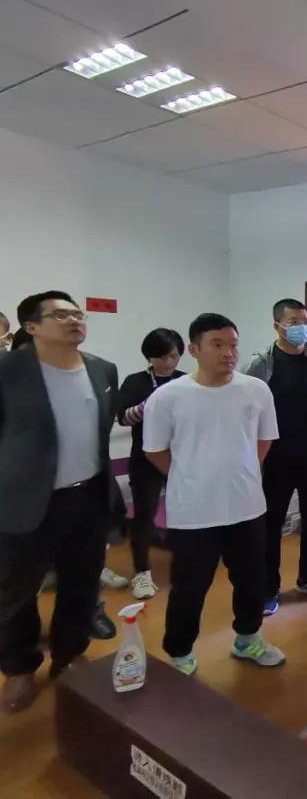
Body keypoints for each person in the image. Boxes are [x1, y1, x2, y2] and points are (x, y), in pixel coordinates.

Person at [143, 313, 285, 675]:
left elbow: (264, 440)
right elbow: (155, 450)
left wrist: (239, 472)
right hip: (193, 512)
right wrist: (191, 476)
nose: (228, 353)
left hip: (247, 507)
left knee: (251, 581)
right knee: (189, 588)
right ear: (194, 350)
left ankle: (248, 638)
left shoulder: (256, 390)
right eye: (217, 345)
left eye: (233, 344)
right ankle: (179, 653)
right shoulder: (168, 397)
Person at [0, 291, 121, 713]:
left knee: (82, 584)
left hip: (87, 498)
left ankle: (68, 655)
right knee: (16, 589)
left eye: (77, 313)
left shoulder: (102, 369)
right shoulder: (7, 371)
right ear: (31, 326)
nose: (74, 319)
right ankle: (19, 666)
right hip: (26, 501)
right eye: (61, 314)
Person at [243, 298, 307, 614]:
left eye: (306, 321)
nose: (302, 327)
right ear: (277, 326)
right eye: (294, 322)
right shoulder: (261, 364)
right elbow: (248, 411)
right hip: (275, 459)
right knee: (271, 525)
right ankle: (268, 587)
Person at [117, 328, 186, 599]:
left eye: (173, 356)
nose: (168, 363)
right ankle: (141, 572)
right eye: (161, 357)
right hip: (146, 458)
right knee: (145, 514)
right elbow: (123, 418)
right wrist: (149, 405)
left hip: (181, 457)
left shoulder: (186, 381)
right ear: (149, 356)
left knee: (184, 510)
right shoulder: (136, 381)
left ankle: (185, 559)